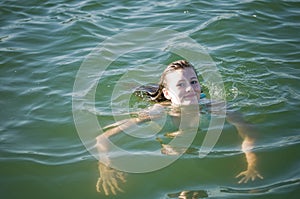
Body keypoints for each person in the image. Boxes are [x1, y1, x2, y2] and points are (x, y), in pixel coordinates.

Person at [95, 60, 263, 196]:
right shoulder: (157, 113)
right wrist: (105, 167)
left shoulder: (217, 107)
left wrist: (252, 165)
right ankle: (143, 87)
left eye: (193, 82)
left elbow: (249, 135)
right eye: (181, 84)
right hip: (166, 105)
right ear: (168, 93)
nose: (190, 88)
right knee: (147, 92)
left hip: (191, 113)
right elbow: (103, 138)